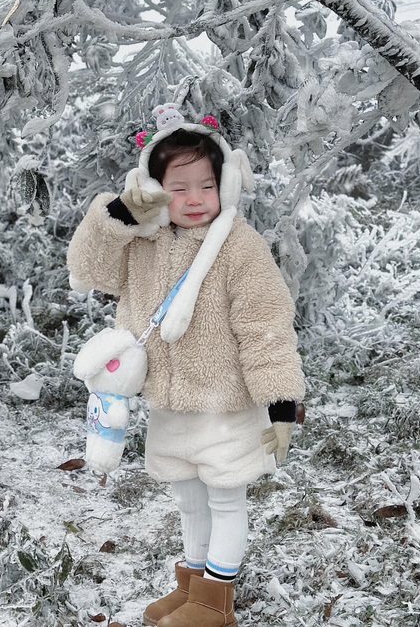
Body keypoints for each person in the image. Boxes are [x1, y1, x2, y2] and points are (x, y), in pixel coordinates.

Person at [67, 104, 305, 627]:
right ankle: (192, 585)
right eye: (179, 187)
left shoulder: (240, 247)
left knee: (224, 499)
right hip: (168, 402)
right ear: (153, 188)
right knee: (189, 499)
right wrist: (120, 219)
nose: (195, 199)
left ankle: (216, 603)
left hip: (225, 403)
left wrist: (281, 401)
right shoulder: (143, 242)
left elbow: (265, 325)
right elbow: (87, 271)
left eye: (207, 184)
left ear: (227, 184)